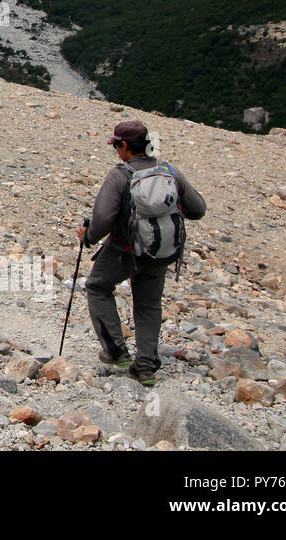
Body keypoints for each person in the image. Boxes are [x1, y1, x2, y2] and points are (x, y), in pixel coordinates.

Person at [78, 120, 206, 387]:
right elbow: (197, 209)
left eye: (116, 146)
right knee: (148, 305)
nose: (116, 151)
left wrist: (88, 237)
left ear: (124, 145)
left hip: (124, 250)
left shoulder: (120, 175)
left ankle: (116, 352)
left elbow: (102, 218)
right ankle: (146, 365)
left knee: (98, 287)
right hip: (160, 251)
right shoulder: (169, 171)